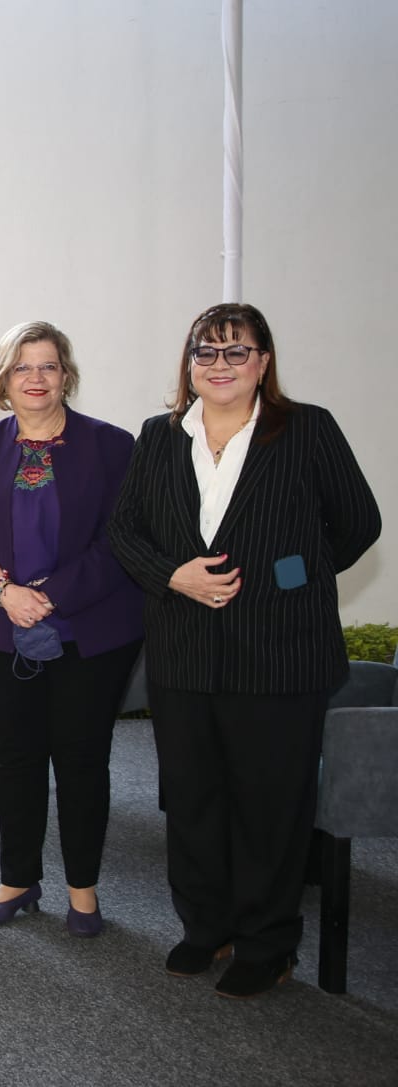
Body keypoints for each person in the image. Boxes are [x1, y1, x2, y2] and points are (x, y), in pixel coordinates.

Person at [109, 302, 380, 998]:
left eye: (237, 351)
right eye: (207, 351)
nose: (220, 364)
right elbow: (125, 530)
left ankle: (267, 941)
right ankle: (207, 926)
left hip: (281, 656)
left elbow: (355, 524)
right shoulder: (160, 435)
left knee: (270, 805)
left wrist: (286, 578)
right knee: (194, 799)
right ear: (189, 364)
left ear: (263, 362)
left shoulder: (307, 429)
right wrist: (175, 575)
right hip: (184, 655)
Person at [0, 321, 143, 934]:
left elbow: (122, 541)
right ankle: (18, 878)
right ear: (4, 379)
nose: (35, 378)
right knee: (16, 757)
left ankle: (84, 890)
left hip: (93, 629)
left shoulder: (113, 447)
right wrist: (6, 592)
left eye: (48, 366)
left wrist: (46, 597)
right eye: (22, 367)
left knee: (83, 760)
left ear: (66, 376)